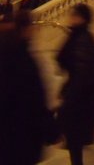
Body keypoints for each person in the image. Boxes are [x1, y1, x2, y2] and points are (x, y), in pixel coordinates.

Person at [0, 10, 58, 165]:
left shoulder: (14, 51)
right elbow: (34, 98)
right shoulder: (21, 56)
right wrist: (50, 129)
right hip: (21, 134)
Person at [56, 4, 94, 165]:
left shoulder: (81, 39)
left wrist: (69, 97)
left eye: (74, 15)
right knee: (74, 140)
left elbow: (82, 72)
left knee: (74, 138)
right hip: (80, 97)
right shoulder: (78, 36)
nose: (70, 18)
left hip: (80, 99)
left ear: (82, 18)